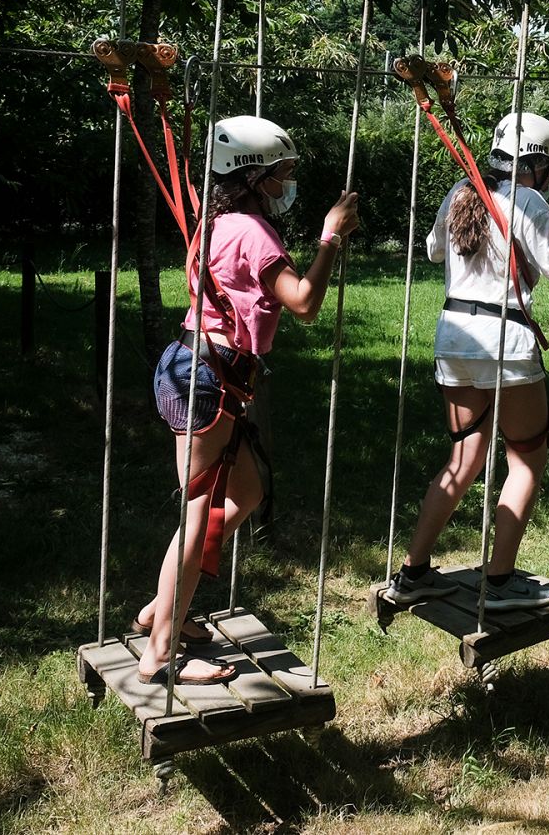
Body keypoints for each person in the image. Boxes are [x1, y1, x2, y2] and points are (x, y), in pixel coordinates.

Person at [142, 116, 358, 685]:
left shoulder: (215, 221)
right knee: (197, 511)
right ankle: (160, 648)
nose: (290, 183)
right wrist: (331, 236)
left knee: (246, 491)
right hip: (208, 377)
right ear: (254, 177)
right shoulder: (253, 232)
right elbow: (304, 302)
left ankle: (166, 606)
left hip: (195, 366)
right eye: (283, 173)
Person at [383, 112, 549, 609]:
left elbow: (434, 252)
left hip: (454, 339)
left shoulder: (460, 190)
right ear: (536, 166)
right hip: (507, 343)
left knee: (463, 459)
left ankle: (413, 572)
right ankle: (498, 582)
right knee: (527, 458)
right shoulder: (529, 200)